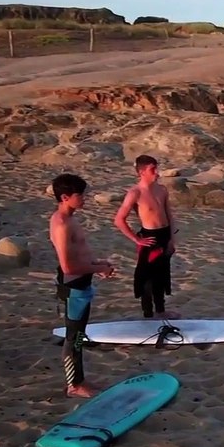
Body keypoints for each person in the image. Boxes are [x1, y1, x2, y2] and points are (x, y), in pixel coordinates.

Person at [49, 173, 115, 398]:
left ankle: (79, 379)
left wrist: (98, 263)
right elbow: (68, 267)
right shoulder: (61, 225)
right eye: (80, 195)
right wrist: (99, 270)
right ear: (65, 197)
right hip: (73, 287)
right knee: (74, 337)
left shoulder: (70, 218)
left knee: (79, 335)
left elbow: (78, 254)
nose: (84, 198)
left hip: (81, 283)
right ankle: (74, 385)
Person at [113, 154, 180, 320]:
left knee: (162, 275)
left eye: (157, 168)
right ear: (142, 172)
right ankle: (148, 313)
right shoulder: (135, 193)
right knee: (146, 277)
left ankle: (161, 310)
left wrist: (172, 239)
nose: (157, 172)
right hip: (149, 237)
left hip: (164, 235)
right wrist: (136, 239)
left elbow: (169, 215)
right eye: (152, 169)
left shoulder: (162, 190)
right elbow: (119, 219)